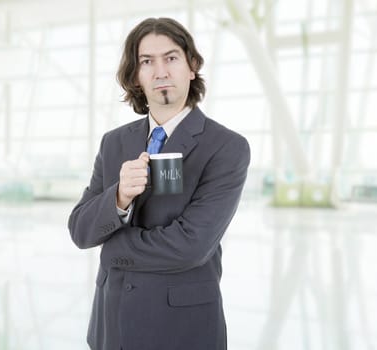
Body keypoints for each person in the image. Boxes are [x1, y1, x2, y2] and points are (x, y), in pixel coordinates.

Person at [68, 17, 250, 350]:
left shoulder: (226, 147)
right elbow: (80, 230)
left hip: (182, 331)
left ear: (191, 66)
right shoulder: (114, 143)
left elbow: (192, 244)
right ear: (136, 76)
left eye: (171, 58)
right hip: (111, 330)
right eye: (147, 62)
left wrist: (112, 247)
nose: (160, 71)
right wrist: (119, 197)